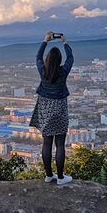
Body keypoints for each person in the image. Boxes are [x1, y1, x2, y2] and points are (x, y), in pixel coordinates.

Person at [29, 31, 73, 185]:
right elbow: (71, 59)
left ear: (47, 60)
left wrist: (45, 41)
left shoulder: (43, 71)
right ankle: (61, 177)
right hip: (60, 109)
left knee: (46, 143)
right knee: (60, 144)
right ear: (59, 60)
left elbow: (38, 57)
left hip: (45, 110)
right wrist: (65, 43)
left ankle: (49, 175)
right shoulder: (63, 72)